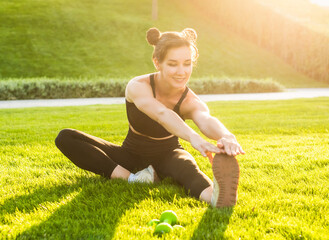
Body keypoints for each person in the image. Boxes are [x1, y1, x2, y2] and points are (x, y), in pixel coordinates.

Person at [55, 27, 245, 207]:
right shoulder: (138, 86)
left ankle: (215, 197)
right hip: (130, 155)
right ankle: (133, 179)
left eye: (187, 64)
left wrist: (227, 136)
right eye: (173, 64)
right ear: (157, 62)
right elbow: (161, 114)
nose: (182, 71)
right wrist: (194, 138)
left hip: (169, 155)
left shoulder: (188, 99)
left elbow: (206, 118)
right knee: (66, 137)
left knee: (187, 168)